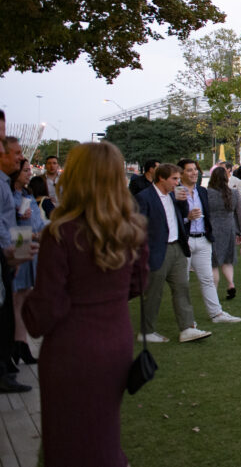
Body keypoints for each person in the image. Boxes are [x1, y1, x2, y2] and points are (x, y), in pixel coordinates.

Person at [23, 142, 150, 467]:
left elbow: (44, 312)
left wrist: (25, 303)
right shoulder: (130, 230)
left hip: (71, 351)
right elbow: (138, 283)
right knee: (103, 431)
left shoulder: (61, 234)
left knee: (69, 439)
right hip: (115, 342)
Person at [134, 163, 211, 344]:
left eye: (178, 178)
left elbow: (182, 218)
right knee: (153, 292)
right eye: (174, 179)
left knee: (182, 289)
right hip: (156, 250)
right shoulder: (144, 198)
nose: (178, 182)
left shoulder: (174, 196)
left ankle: (187, 328)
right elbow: (138, 227)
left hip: (177, 248)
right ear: (161, 178)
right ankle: (147, 331)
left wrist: (183, 202)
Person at [175, 159, 241, 324]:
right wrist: (187, 218)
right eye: (189, 170)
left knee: (208, 280)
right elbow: (171, 219)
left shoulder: (202, 192)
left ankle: (216, 314)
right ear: (181, 173)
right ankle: (187, 321)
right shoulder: (175, 193)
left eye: (195, 170)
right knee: (182, 281)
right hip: (186, 240)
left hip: (204, 239)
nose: (194, 173)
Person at [10, 158, 44, 364]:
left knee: (25, 296)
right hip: (20, 247)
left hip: (30, 248)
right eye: (25, 171)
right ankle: (17, 343)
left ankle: (21, 344)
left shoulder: (26, 194)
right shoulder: (12, 197)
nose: (29, 174)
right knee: (17, 298)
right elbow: (14, 227)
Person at [206, 166, 241, 301]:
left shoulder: (207, 193)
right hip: (229, 229)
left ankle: (214, 292)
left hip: (212, 229)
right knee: (228, 259)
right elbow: (240, 214)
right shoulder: (233, 193)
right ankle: (231, 283)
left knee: (214, 262)